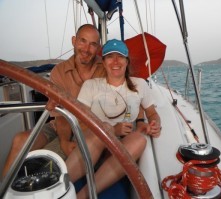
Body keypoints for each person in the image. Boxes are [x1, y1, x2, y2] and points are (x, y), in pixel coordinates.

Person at [1, 24, 106, 177]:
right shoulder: (59, 71)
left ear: (98, 47)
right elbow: (60, 114)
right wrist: (64, 141)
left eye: (93, 44)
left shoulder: (105, 68)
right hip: (61, 124)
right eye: (83, 41)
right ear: (74, 41)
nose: (86, 48)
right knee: (20, 140)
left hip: (89, 128)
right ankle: (4, 190)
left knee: (46, 159)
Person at [65, 39, 161, 199]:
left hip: (119, 151)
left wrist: (155, 124)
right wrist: (112, 129)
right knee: (104, 129)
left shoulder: (139, 85)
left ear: (126, 61)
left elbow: (152, 113)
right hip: (92, 146)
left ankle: (83, 195)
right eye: (110, 57)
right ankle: (57, 184)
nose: (115, 61)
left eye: (120, 57)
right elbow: (80, 120)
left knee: (140, 139)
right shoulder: (91, 85)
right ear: (103, 62)